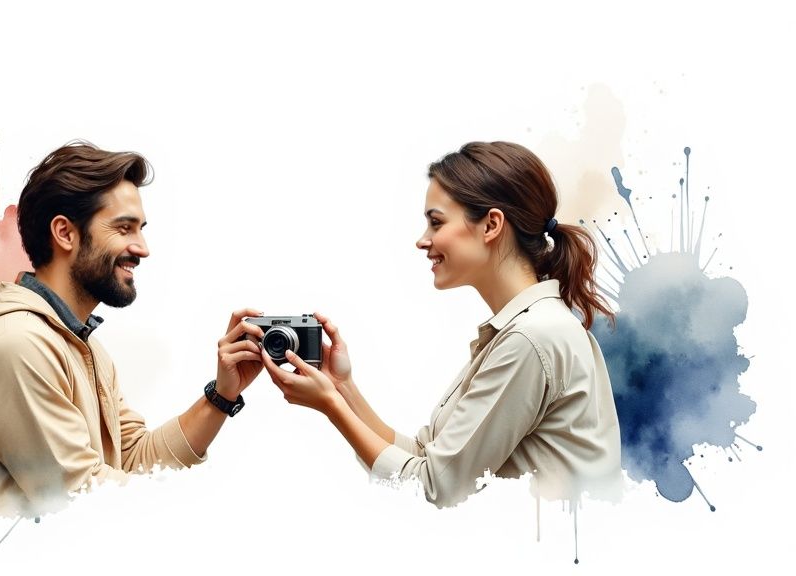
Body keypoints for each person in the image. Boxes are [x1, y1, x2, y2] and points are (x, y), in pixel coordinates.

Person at [262, 141, 622, 507]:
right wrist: (342, 389)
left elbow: (436, 489)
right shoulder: (529, 329)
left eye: (436, 222)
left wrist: (331, 408)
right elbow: (426, 455)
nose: (422, 240)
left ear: (491, 225)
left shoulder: (530, 339)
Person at [0, 141, 266, 516]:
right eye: (124, 228)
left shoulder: (80, 345)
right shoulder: (17, 345)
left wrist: (223, 396)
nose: (143, 248)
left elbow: (133, 457)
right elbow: (81, 502)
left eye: (141, 229)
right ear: (65, 233)